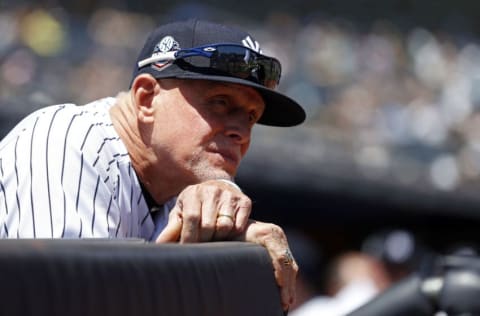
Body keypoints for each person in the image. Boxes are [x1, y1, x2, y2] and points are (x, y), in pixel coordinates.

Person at [0, 19, 306, 310]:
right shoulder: (71, 144)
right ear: (146, 99)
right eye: (220, 102)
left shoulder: (178, 175)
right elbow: (64, 303)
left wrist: (232, 242)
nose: (241, 131)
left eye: (251, 116)